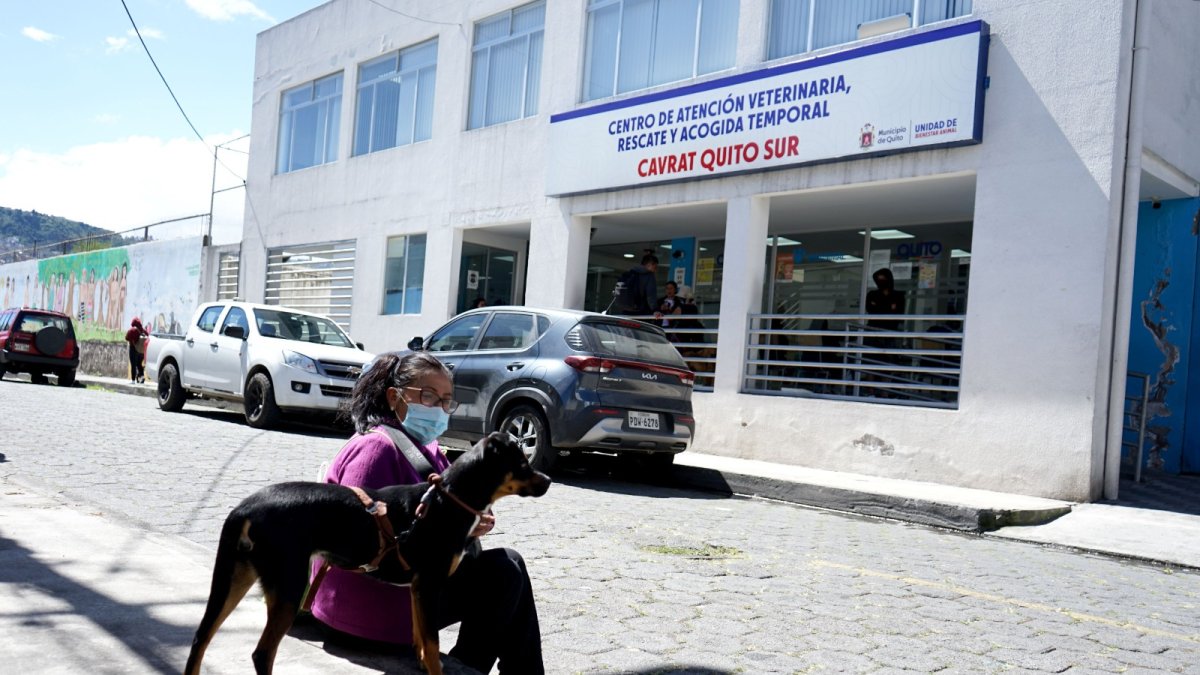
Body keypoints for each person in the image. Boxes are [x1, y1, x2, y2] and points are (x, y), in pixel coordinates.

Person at [309, 351, 544, 674]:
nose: (439, 408)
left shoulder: (426, 449)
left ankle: (479, 666)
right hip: (364, 608)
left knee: (507, 566)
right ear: (395, 397)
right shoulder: (375, 448)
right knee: (504, 571)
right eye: (429, 396)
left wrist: (470, 522)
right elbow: (354, 534)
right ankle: (470, 665)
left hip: (407, 585)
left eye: (446, 400)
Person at [124, 317, 148, 384]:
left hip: (133, 349)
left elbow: (126, 338)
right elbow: (148, 337)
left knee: (133, 364)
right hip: (142, 351)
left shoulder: (132, 330)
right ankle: (142, 377)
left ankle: (133, 380)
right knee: (139, 364)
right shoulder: (143, 330)